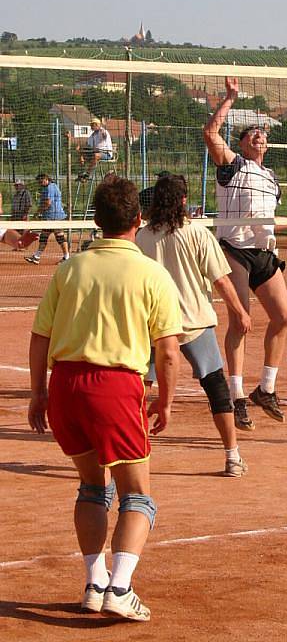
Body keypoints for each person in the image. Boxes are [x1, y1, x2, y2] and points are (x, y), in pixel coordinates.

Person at [27, 177, 182, 621]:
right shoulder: (151, 273)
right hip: (114, 388)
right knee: (139, 496)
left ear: (96, 221)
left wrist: (38, 393)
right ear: (138, 219)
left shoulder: (70, 268)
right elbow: (168, 351)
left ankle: (95, 582)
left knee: (93, 485)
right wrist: (166, 402)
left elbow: (40, 337)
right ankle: (119, 586)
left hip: (66, 388)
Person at [136, 174, 252, 475]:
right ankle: (232, 456)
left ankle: (134, 454)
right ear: (184, 200)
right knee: (216, 388)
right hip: (195, 323)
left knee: (139, 390)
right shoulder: (197, 233)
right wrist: (239, 311)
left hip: (154, 327)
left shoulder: (142, 236)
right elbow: (220, 279)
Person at [203, 76, 287, 431]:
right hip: (234, 252)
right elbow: (211, 134)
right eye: (252, 133)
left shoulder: (272, 178)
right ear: (241, 143)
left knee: (283, 319)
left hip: (264, 255)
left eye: (263, 134)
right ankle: (236, 396)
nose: (259, 135)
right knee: (241, 322)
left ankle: (265, 390)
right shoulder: (233, 166)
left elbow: (268, 221)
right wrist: (230, 98)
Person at [24, 173, 70, 265]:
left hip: (55, 217)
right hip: (49, 217)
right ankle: (37, 256)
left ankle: (66, 257)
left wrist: (38, 212)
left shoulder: (50, 187)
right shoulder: (47, 187)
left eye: (41, 181)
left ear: (46, 179)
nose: (40, 183)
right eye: (39, 181)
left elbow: (48, 203)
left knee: (59, 237)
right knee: (44, 236)